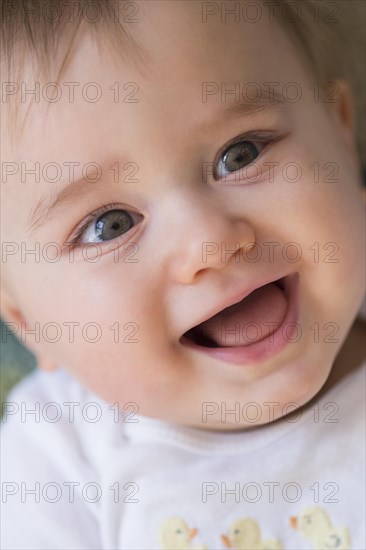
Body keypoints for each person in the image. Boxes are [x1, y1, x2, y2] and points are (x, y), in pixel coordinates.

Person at [1, 1, 365, 548]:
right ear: (29, 323)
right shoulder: (58, 455)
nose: (210, 243)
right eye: (109, 225)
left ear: (341, 136)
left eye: (239, 155)